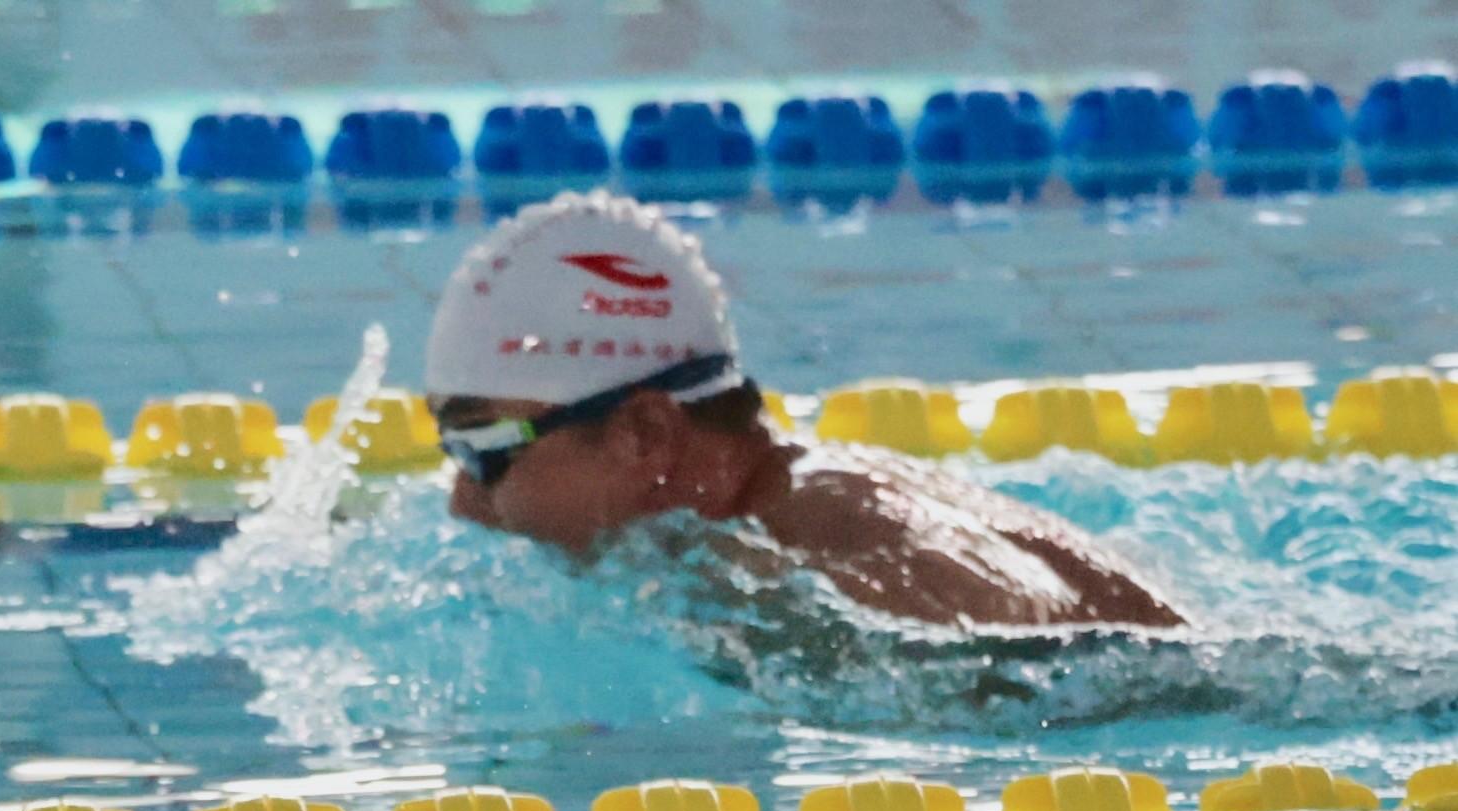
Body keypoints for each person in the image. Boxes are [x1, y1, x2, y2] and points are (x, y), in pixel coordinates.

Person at [423, 192, 1188, 631]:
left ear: (644, 433)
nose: (464, 501)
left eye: (484, 448)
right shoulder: (794, 511)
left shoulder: (857, 569)